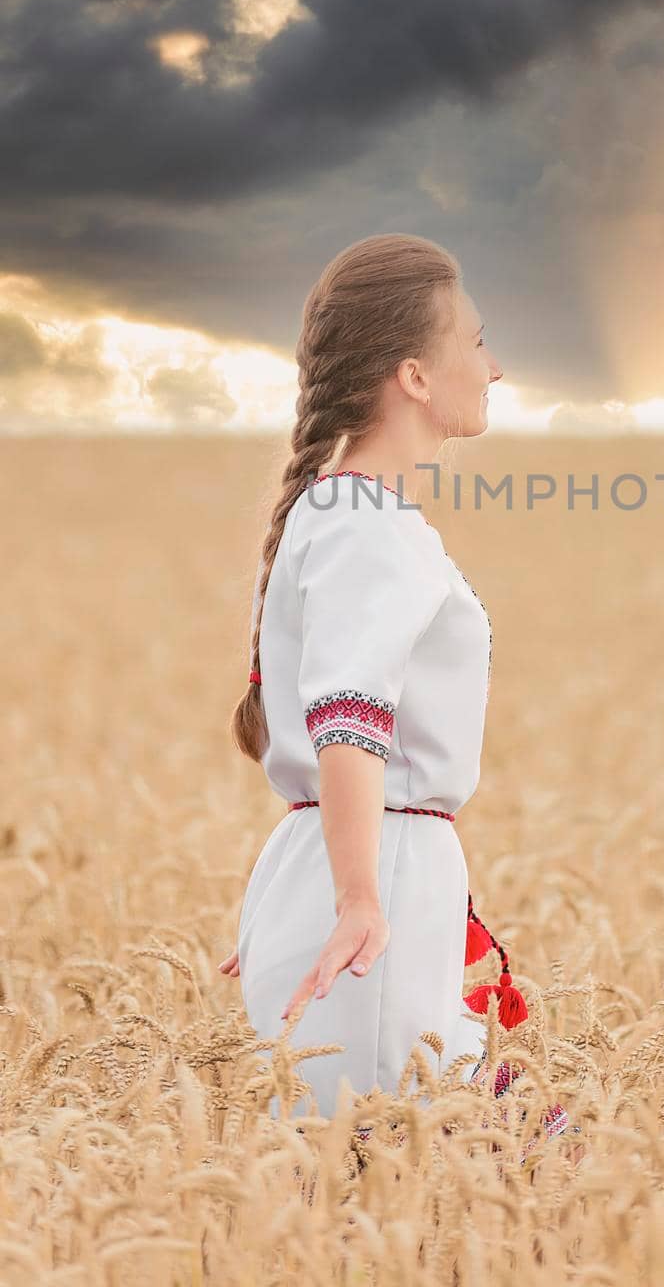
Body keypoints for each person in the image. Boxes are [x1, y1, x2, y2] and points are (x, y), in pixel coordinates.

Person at [219, 232, 524, 1121]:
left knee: (413, 1175)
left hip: (357, 869)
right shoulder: (366, 523)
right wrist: (356, 897)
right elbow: (348, 719)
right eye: (474, 340)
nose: (494, 367)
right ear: (415, 377)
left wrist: (334, 890)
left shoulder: (339, 509)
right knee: (415, 1171)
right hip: (374, 877)